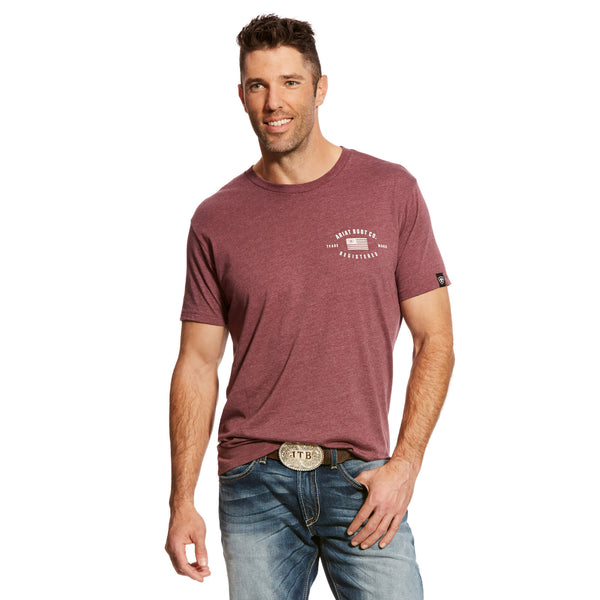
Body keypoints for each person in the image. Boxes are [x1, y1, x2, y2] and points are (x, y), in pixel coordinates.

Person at [165, 13, 454, 600]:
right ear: (241, 95)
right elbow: (197, 362)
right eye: (258, 85)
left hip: (363, 479)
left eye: (290, 82)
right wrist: (181, 500)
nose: (274, 102)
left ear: (320, 88)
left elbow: (436, 339)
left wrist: (405, 465)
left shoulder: (390, 191)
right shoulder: (216, 218)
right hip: (254, 482)